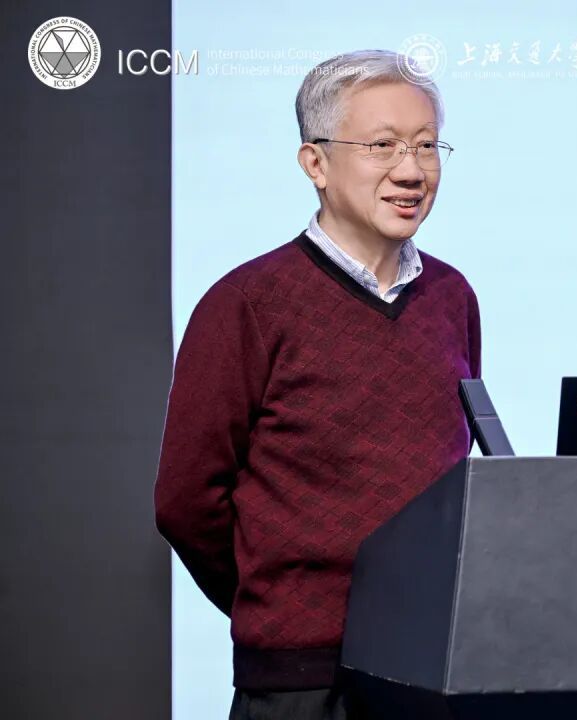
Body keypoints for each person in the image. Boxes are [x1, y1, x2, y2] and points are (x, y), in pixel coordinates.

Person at [154, 49, 480, 720]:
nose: (411, 171)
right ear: (316, 164)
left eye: (426, 146)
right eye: (382, 146)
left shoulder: (453, 297)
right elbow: (187, 501)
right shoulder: (247, 303)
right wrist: (278, 602)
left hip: (435, 670)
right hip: (300, 683)